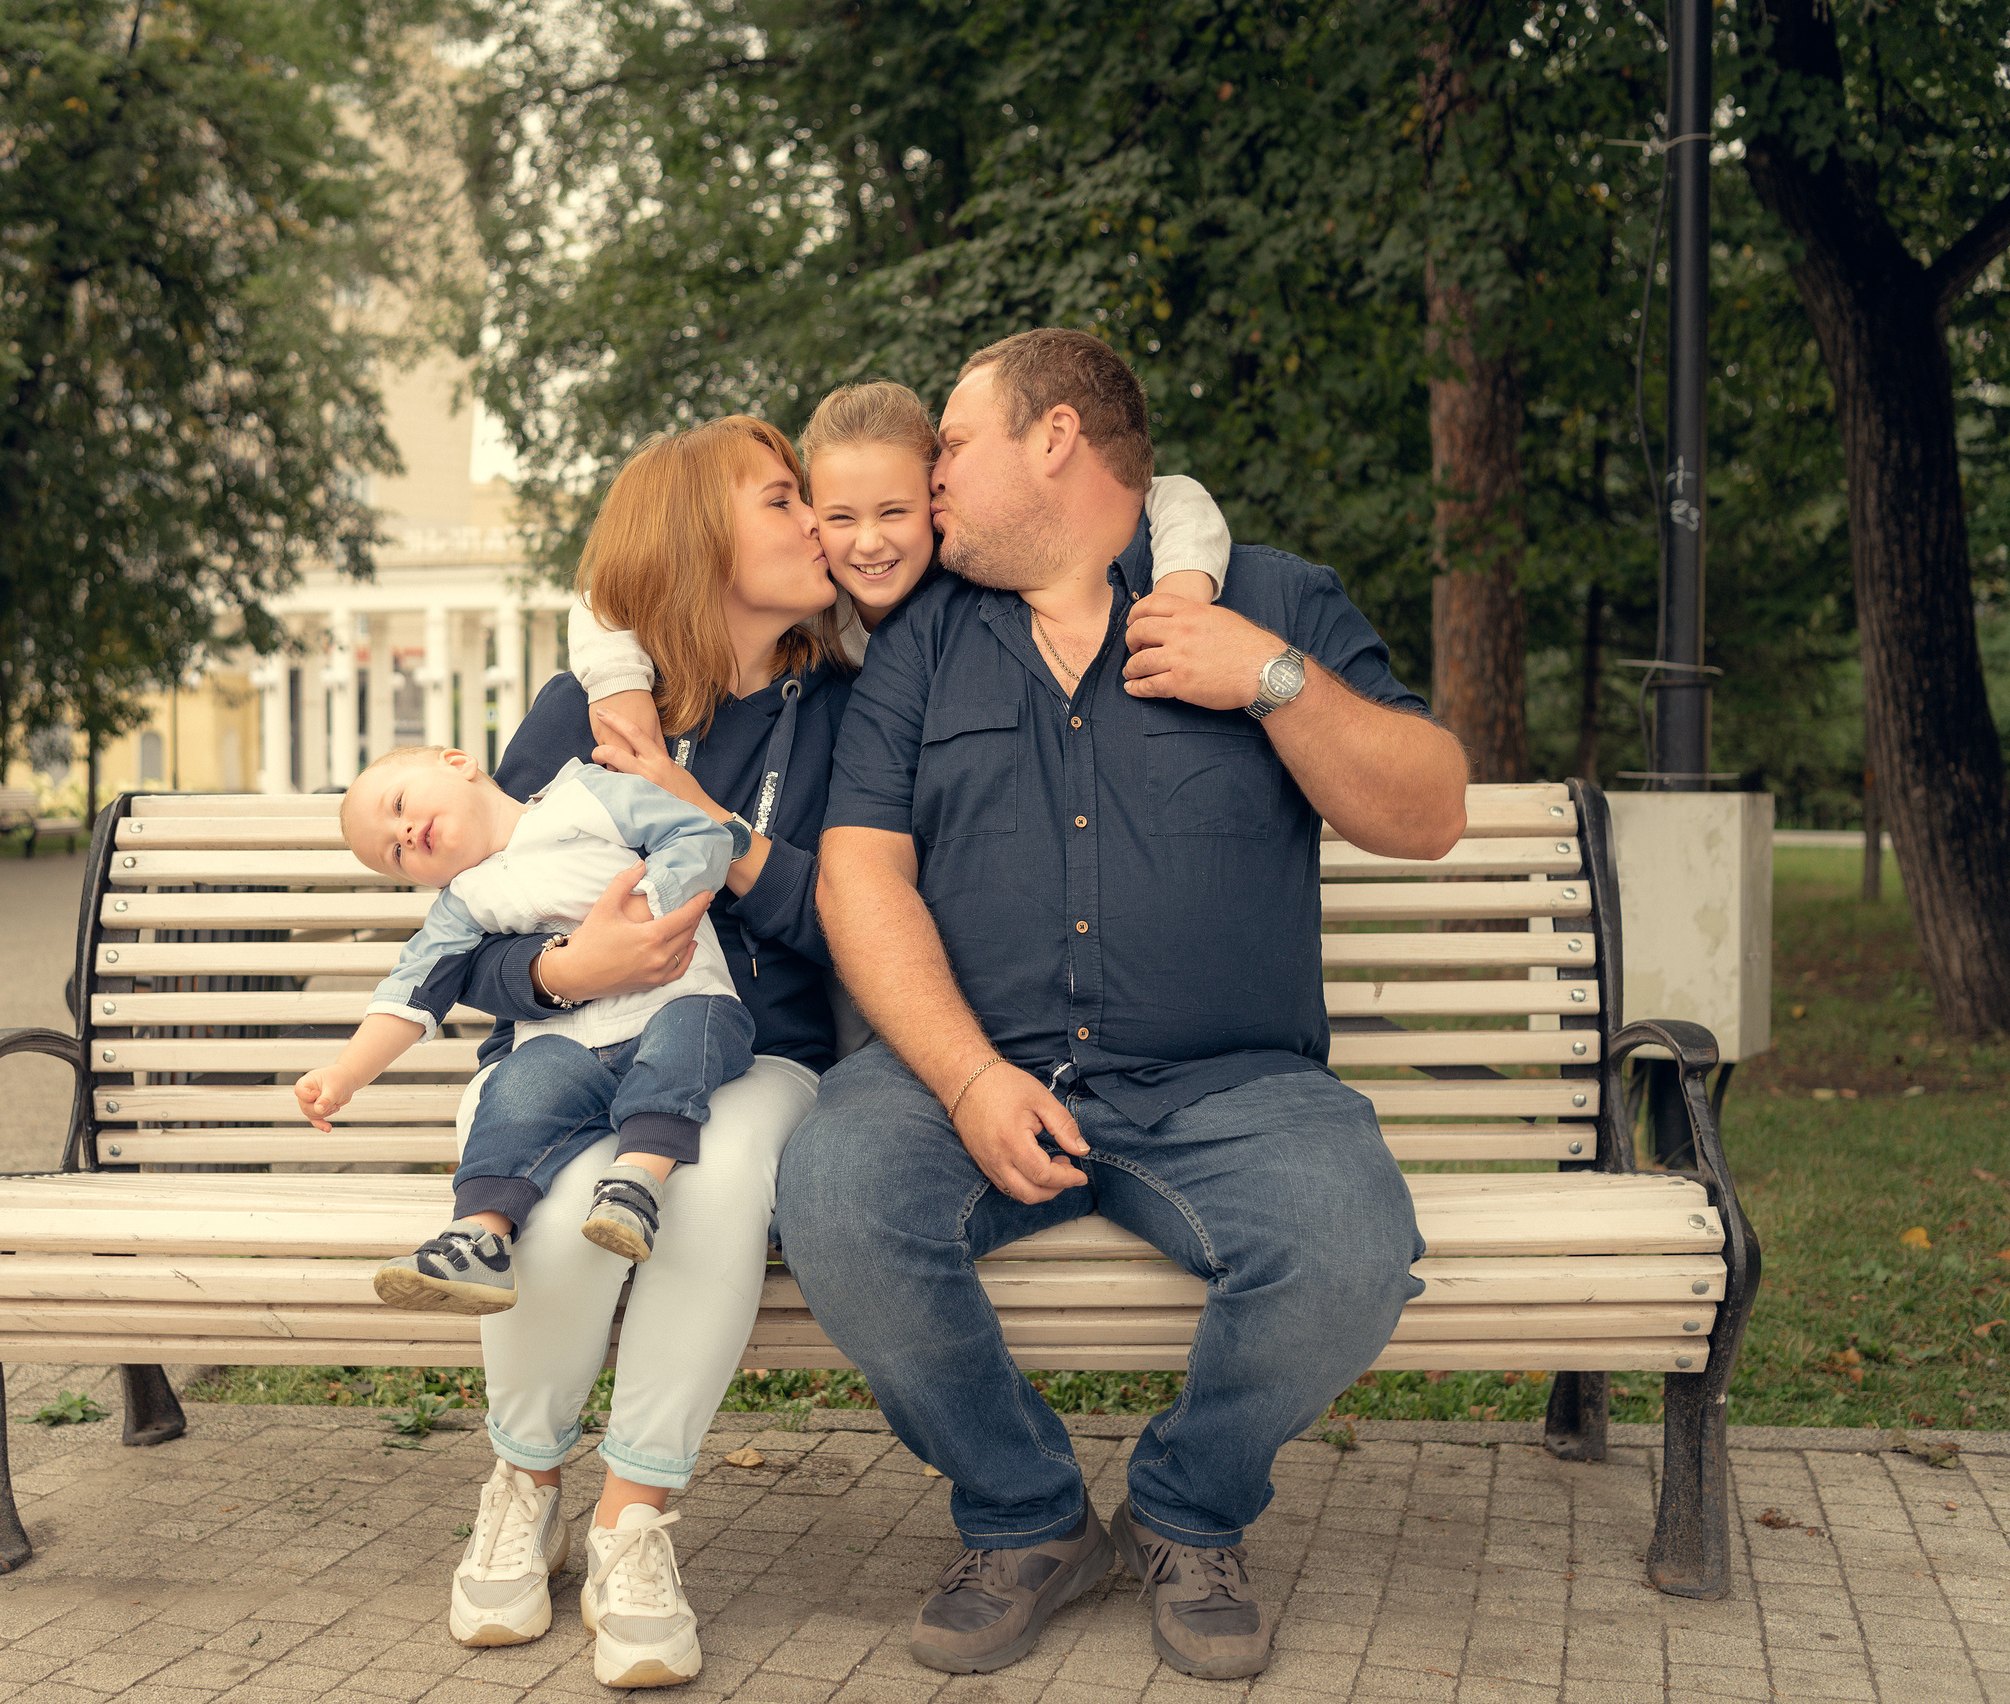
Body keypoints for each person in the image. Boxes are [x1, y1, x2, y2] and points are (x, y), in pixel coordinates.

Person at [779, 328, 1470, 1683]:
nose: (931, 489)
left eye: (954, 450)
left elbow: (1430, 806)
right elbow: (861, 874)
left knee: (1348, 1244)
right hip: (968, 1073)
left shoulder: (1270, 597)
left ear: (1054, 441)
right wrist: (970, 1077)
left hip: (1229, 1085)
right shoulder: (923, 642)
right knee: (837, 1192)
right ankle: (1029, 1516)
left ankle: (1186, 1511)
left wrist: (1267, 679)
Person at [425, 414, 853, 1689]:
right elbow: (469, 935)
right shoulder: (578, 707)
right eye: (781, 502)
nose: (814, 524)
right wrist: (565, 970)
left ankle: (634, 1522)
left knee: (711, 1190)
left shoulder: (842, 707)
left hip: (750, 1050)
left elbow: (854, 921)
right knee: (552, 1218)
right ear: (699, 539)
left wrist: (712, 831)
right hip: (565, 1044)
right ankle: (524, 1476)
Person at [292, 744, 754, 1312]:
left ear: (457, 763)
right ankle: (477, 1241)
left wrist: (645, 906)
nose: (406, 835)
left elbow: (702, 836)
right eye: (394, 853)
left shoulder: (587, 796)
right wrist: (344, 1073)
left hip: (679, 998)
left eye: (400, 805)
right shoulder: (464, 900)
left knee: (684, 1044)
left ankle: (635, 1182)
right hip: (571, 1043)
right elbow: (412, 988)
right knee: (514, 1089)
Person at [569, 379, 1235, 752]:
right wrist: (620, 691)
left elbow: (1169, 494)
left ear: (935, 500)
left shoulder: (973, 580)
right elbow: (611, 591)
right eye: (839, 518)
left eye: (894, 514)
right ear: (810, 512)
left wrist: (1182, 591)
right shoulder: (810, 601)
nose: (867, 545)